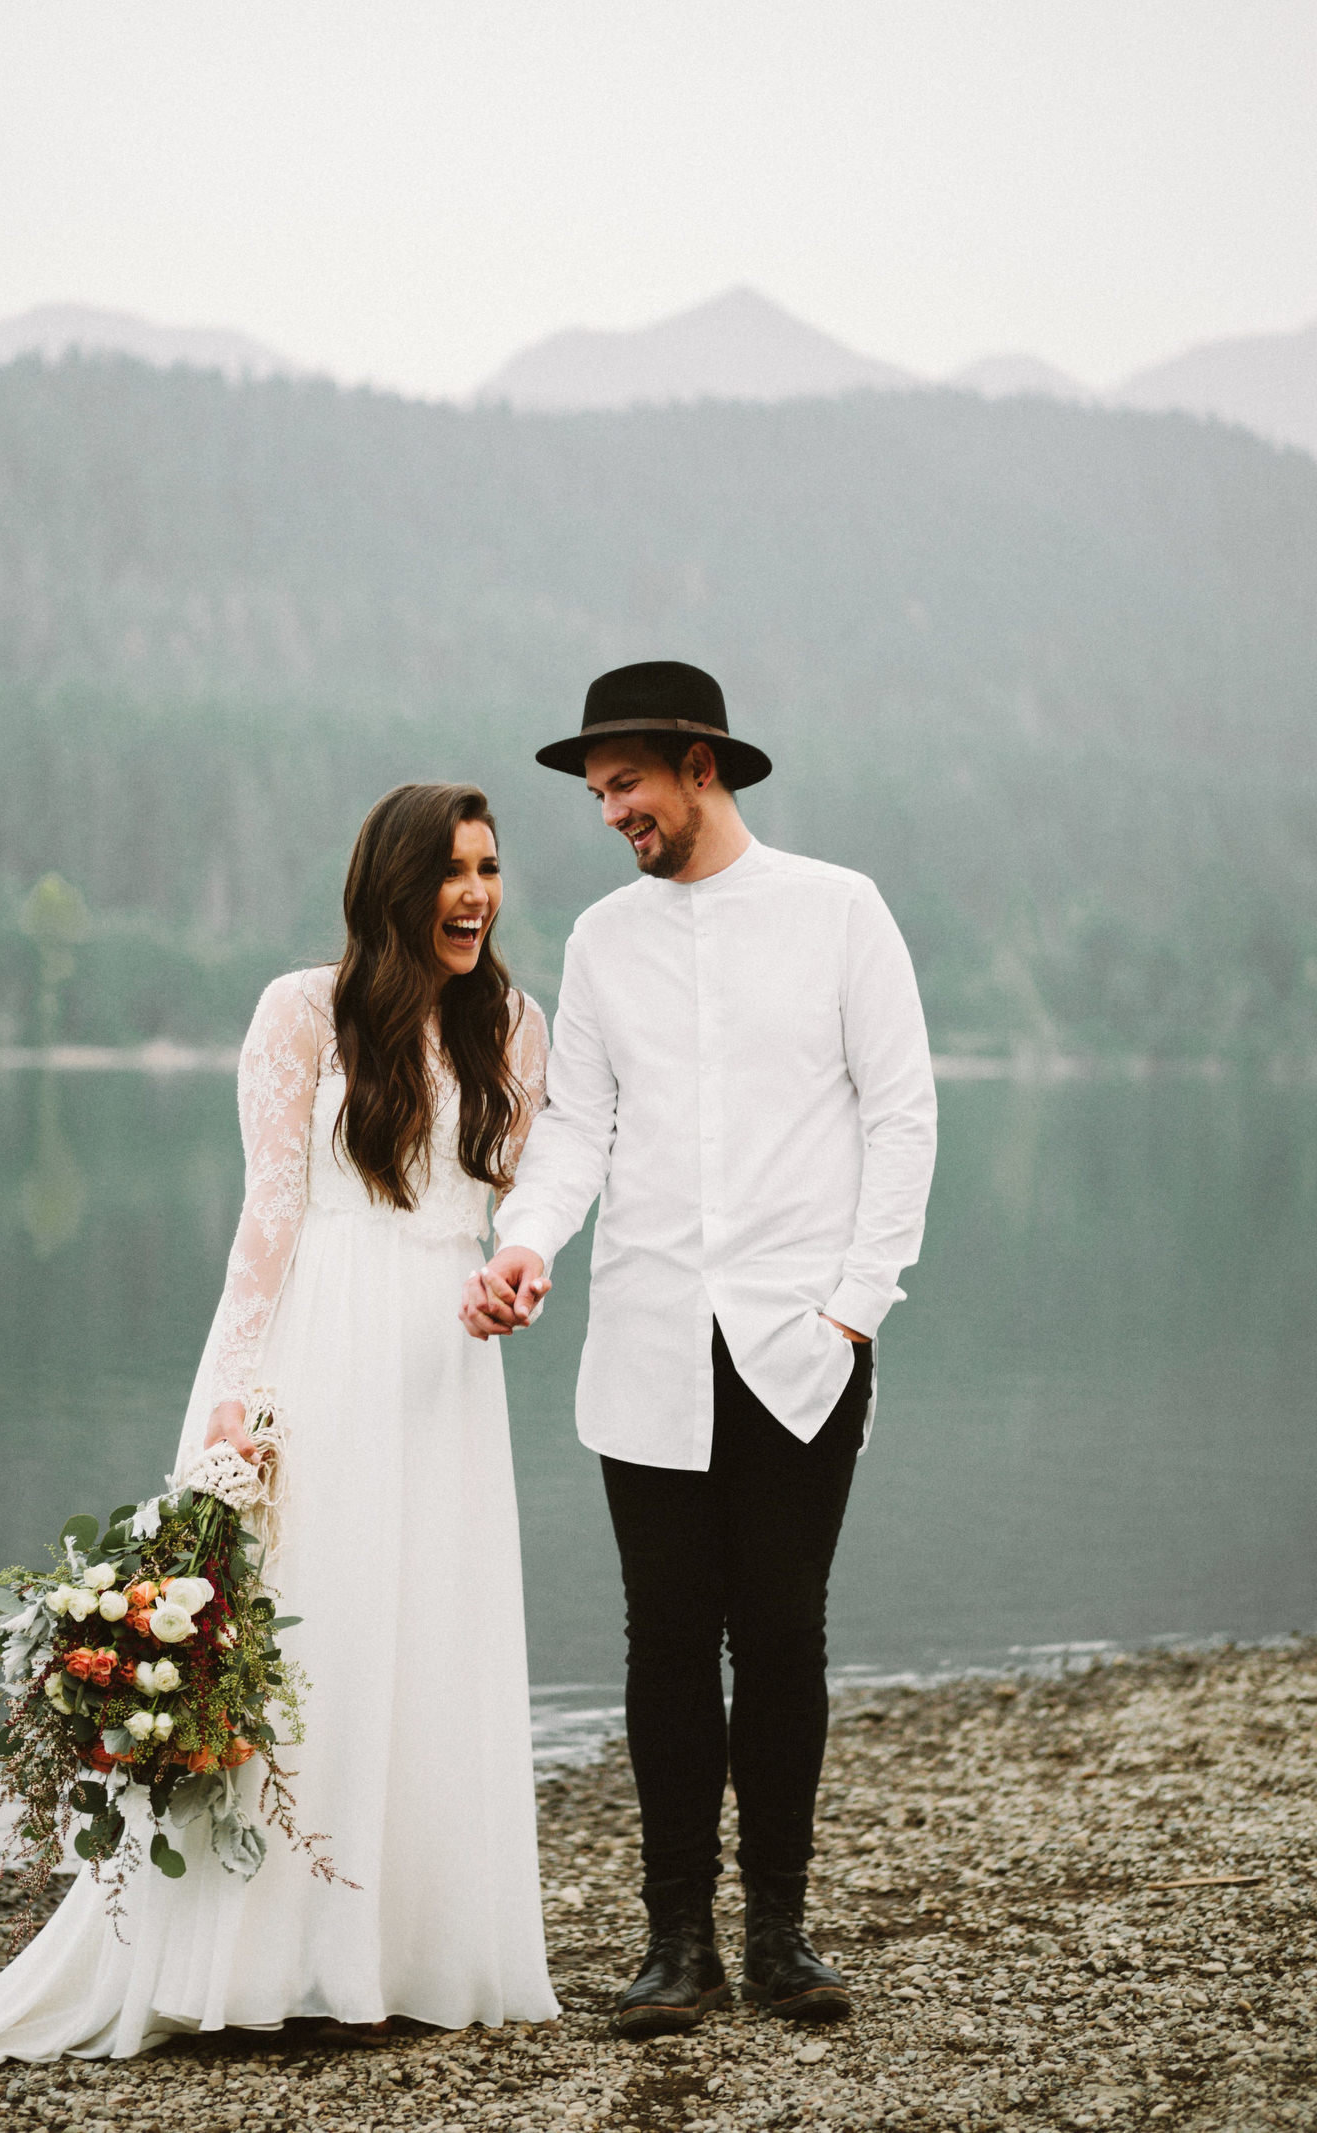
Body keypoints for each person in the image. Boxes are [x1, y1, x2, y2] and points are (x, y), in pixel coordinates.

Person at [0, 782, 558, 2102]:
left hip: (446, 1373)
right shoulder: (304, 1012)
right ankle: (261, 1960)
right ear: (396, 884)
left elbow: (531, 1197)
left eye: (492, 868)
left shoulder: (516, 1026)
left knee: (428, 1635)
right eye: (453, 870)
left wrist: (523, 1273)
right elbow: (269, 1221)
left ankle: (403, 1955)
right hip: (322, 1352)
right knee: (315, 1634)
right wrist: (237, 1396)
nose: (476, 894)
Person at [462, 662, 936, 2038]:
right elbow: (574, 1129)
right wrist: (526, 1239)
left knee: (782, 1634)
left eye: (626, 783)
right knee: (666, 1640)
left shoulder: (840, 911)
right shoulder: (605, 943)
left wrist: (855, 1307)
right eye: (599, 791)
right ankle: (679, 1944)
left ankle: (781, 1937)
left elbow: (902, 1116)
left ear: (700, 764)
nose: (609, 810)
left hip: (802, 1344)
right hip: (649, 1346)